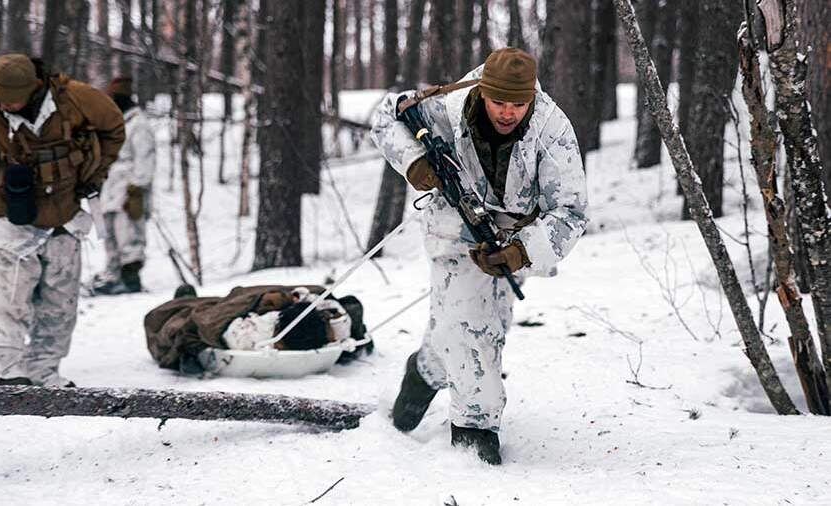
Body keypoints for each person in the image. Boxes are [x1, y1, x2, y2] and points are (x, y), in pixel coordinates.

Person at [370, 47, 588, 464]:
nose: (508, 113)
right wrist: (415, 163)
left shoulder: (553, 128)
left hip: (508, 243)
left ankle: (426, 371)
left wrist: (520, 253)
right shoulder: (447, 106)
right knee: (474, 331)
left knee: (483, 326)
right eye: (499, 102)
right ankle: (474, 439)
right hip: (453, 232)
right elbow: (385, 116)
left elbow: (571, 211)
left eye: (518, 104)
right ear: (483, 91)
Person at [0, 53, 125, 386]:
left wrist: (96, 171)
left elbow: (114, 128)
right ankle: (9, 374)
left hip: (65, 215)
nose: (4, 106)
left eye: (11, 100)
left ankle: (45, 371)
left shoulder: (77, 99)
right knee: (7, 301)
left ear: (34, 88)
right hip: (12, 218)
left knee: (60, 303)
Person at [144, 285, 369, 376]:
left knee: (202, 309)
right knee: (186, 316)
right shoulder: (256, 331)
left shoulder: (327, 326)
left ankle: (186, 298)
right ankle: (185, 298)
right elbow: (212, 324)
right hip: (235, 313)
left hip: (273, 319)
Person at [91, 76, 155, 295]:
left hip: (128, 191)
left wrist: (137, 187)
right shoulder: (112, 124)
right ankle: (113, 275)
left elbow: (145, 158)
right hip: (109, 189)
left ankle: (130, 279)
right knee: (109, 235)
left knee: (128, 235)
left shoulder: (138, 124)